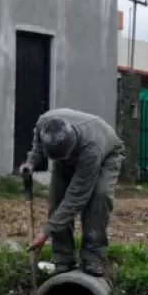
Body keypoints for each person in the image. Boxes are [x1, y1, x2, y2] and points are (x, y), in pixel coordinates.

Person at [19, 108, 124, 277]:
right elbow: (38, 147)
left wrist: (45, 233)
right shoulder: (43, 124)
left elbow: (76, 198)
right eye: (58, 159)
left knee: (98, 198)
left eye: (65, 157)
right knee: (56, 200)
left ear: (71, 144)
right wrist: (31, 162)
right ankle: (63, 259)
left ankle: (93, 257)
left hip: (107, 155)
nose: (65, 161)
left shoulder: (91, 149)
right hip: (76, 150)